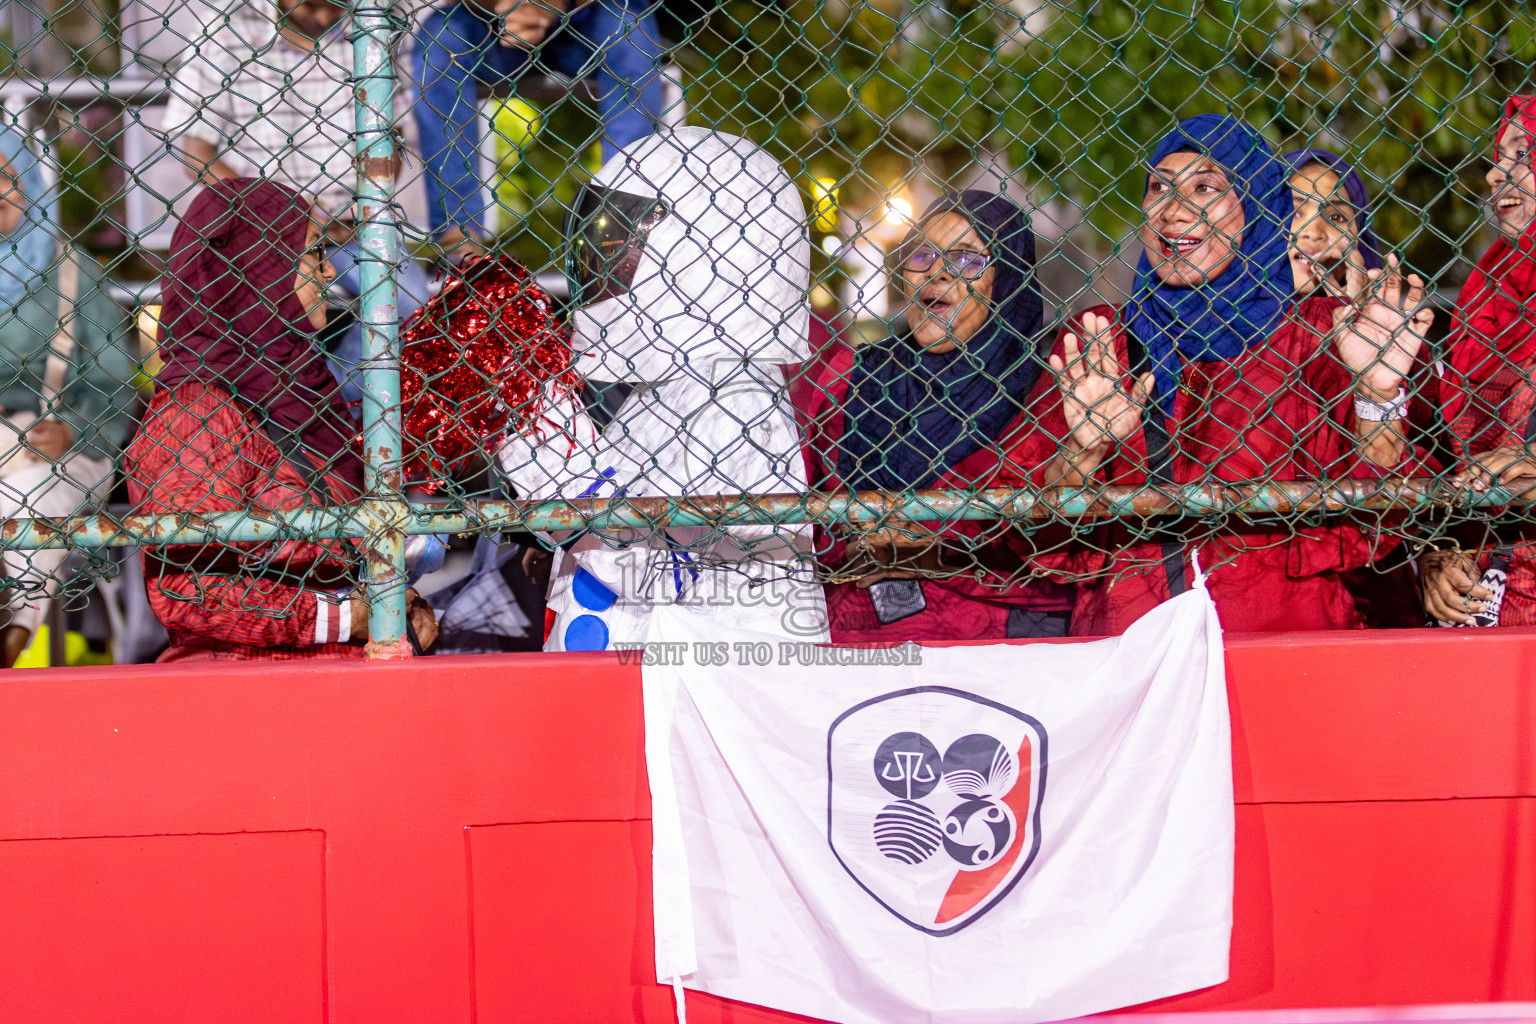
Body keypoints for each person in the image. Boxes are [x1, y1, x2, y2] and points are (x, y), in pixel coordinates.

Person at [1025, 115, 1433, 636]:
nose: (1173, 211)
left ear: (1257, 207)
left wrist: (1377, 391)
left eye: (1205, 188)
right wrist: (1082, 451)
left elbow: (1374, 514)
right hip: (1132, 658)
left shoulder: (1321, 335)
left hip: (1282, 653)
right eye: (1159, 188)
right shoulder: (1099, 341)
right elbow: (1042, 536)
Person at [497, 127, 828, 650]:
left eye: (622, 242)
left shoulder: (737, 401)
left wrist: (553, 474)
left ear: (699, 253)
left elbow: (675, 577)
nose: (605, 260)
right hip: (649, 689)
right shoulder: (670, 388)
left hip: (701, 697)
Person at [124, 178, 438, 660]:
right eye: (313, 254)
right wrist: (345, 617)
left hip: (333, 683)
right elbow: (188, 591)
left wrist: (394, 603)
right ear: (256, 267)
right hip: (246, 695)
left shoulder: (305, 387)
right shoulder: (196, 413)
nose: (331, 270)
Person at [796, 190, 1073, 642]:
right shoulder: (855, 374)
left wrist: (934, 550)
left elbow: (1059, 561)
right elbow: (803, 513)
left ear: (1008, 280)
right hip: (851, 642)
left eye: (966, 259)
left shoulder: (1044, 391)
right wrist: (854, 539)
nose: (936, 272)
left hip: (992, 651)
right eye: (922, 254)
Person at [159, 0, 430, 407]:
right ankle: (294, 407)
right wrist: (283, 216)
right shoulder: (226, 31)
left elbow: (393, 139)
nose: (324, 14)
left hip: (355, 221)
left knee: (412, 305)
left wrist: (366, 204)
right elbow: (196, 153)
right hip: (264, 229)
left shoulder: (372, 28)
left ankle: (326, 405)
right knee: (262, 315)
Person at [0, 124, 138, 666]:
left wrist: (74, 430)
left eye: (6, 178)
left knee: (25, 499)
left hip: (65, 446)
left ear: (31, 186)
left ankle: (14, 629)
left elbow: (116, 385)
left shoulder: (73, 271)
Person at [412, 0, 665, 259]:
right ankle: (457, 233)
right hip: (493, 26)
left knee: (629, 25)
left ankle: (626, 219)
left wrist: (553, 4)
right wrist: (506, 5)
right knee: (440, 36)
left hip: (586, 22)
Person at [1420, 95, 1536, 627]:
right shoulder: (1488, 291)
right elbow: (1451, 461)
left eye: (1523, 153)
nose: (1494, 175)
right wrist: (1439, 550)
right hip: (1488, 604)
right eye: (1498, 156)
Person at [1283, 148, 1383, 294]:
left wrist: (1357, 314)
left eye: (1335, 218)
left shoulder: (1377, 314)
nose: (1313, 233)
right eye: (1293, 212)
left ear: (1359, 238)